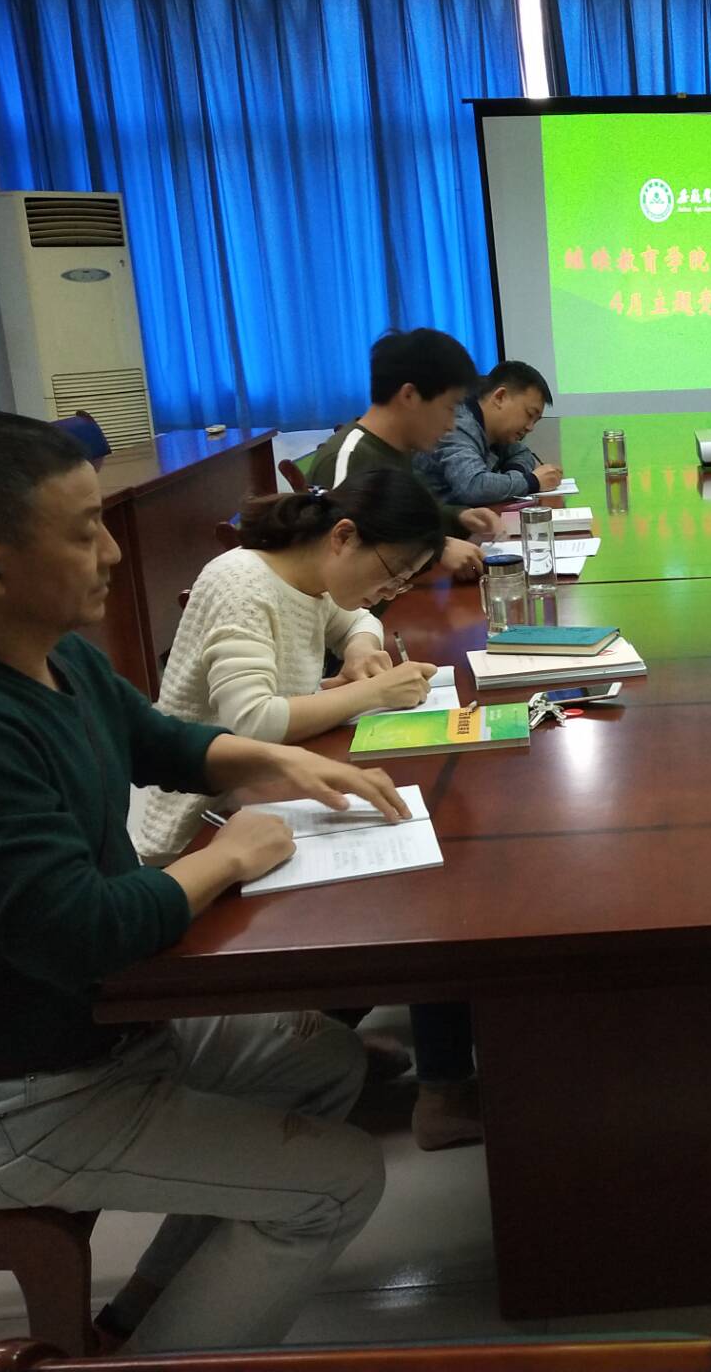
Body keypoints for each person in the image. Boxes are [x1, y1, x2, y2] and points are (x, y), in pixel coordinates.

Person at [0, 412, 409, 1351]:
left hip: (102, 1031)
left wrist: (283, 763)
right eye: (84, 532)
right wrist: (226, 856)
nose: (114, 552)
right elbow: (83, 931)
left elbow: (160, 741)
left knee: (322, 1060)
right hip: (16, 1095)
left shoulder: (52, 652)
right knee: (341, 1183)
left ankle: (146, 1315)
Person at [135, 468, 483, 1151]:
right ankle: (425, 1082)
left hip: (265, 794)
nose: (389, 593)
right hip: (202, 824)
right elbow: (253, 720)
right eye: (389, 574)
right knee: (425, 882)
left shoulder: (310, 577)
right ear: (343, 536)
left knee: (422, 842)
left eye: (403, 583)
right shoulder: (242, 583)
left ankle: (325, 1036)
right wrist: (373, 692)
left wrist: (363, 650)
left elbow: (354, 617)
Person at [304, 328, 497, 579]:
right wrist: (437, 549)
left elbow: (403, 520)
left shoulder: (402, 450)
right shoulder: (349, 457)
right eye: (449, 408)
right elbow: (337, 560)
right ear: (409, 395)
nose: (451, 425)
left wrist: (460, 516)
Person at [418, 360, 561, 505]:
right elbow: (473, 486)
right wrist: (532, 481)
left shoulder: (499, 431)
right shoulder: (456, 424)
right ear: (500, 397)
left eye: (535, 421)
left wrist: (514, 474)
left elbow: (522, 453)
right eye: (529, 414)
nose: (530, 427)